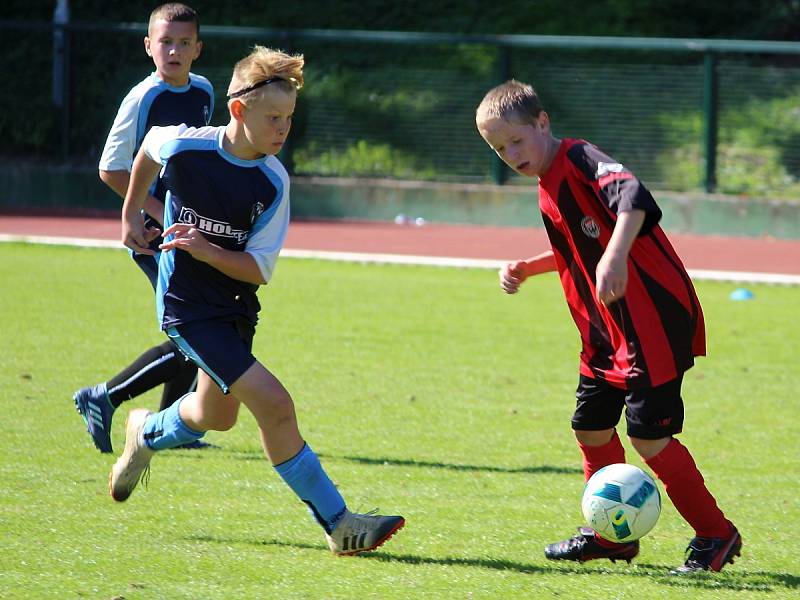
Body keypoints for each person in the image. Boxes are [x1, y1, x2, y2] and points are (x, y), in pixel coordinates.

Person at [110, 45, 405, 555]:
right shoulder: (186, 146)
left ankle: (147, 432)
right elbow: (148, 151)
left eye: (289, 118)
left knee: (215, 415)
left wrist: (205, 248)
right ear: (238, 110)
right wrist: (132, 213)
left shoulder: (272, 181)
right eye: (273, 117)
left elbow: (257, 270)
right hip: (185, 306)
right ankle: (341, 524)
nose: (283, 129)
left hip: (235, 307)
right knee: (276, 404)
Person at [475, 80, 741, 574]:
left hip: (650, 323)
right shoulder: (544, 185)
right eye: (498, 148)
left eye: (515, 140)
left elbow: (634, 196)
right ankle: (611, 537)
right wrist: (527, 268)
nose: (509, 154)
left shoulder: (578, 159)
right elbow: (574, 252)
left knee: (649, 440)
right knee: (591, 427)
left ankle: (715, 534)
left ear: (542, 122)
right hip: (604, 333)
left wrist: (616, 256)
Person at [74, 3, 214, 453]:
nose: (174, 50)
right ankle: (104, 396)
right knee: (197, 330)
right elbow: (112, 170)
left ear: (198, 49)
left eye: (184, 42)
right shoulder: (142, 98)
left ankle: (176, 429)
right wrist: (149, 212)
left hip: (187, 229)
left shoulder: (206, 91)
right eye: (165, 41)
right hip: (154, 234)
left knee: (195, 325)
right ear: (148, 46)